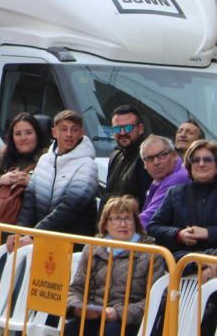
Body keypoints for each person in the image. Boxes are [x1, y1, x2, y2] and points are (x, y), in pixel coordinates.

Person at [65, 196, 158, 336]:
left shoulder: (152, 253)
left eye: (128, 218)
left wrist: (119, 313)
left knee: (110, 331)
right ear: (105, 224)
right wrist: (77, 307)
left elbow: (155, 300)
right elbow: (76, 287)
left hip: (129, 320)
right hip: (94, 314)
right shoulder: (93, 247)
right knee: (71, 330)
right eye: (116, 219)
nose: (123, 224)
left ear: (136, 223)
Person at [15, 110, 99, 244]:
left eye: (74, 129)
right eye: (63, 129)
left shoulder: (88, 165)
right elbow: (29, 202)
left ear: (81, 133)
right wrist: (20, 233)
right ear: (54, 132)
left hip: (70, 244)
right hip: (39, 240)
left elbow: (70, 207)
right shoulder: (44, 160)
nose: (69, 134)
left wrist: (34, 235)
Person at [0, 112, 49, 225]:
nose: (23, 138)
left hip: (32, 231)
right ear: (12, 137)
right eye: (18, 134)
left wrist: (31, 183)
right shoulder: (4, 158)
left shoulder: (48, 158)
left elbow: (56, 196)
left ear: (37, 134)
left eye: (29, 133)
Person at [146, 139, 217, 259]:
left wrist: (208, 233)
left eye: (207, 160)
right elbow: (153, 228)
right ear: (189, 165)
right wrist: (178, 235)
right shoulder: (175, 193)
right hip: (183, 264)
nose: (201, 164)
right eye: (195, 160)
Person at [104, 104, 152, 207]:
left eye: (128, 127)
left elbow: (147, 202)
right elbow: (107, 197)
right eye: (117, 129)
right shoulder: (115, 156)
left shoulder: (148, 157)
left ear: (140, 129)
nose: (122, 132)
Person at [137, 135, 190, 229]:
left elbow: (149, 218)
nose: (156, 162)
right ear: (144, 164)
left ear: (174, 155)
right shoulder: (164, 176)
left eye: (162, 155)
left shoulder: (179, 177)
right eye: (149, 158)